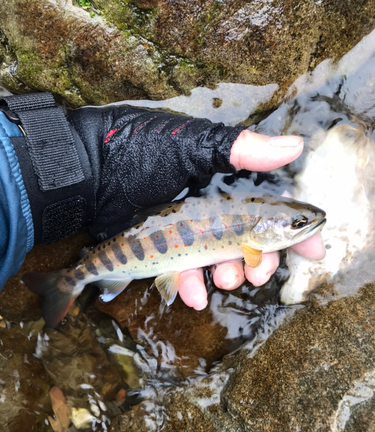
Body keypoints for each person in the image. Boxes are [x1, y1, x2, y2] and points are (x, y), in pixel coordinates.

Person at [0, 92, 325, 310]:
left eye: (298, 223)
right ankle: (67, 283)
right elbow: (251, 259)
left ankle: (71, 279)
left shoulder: (254, 227)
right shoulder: (252, 240)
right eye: (297, 223)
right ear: (260, 229)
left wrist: (73, 163)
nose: (303, 225)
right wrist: (89, 157)